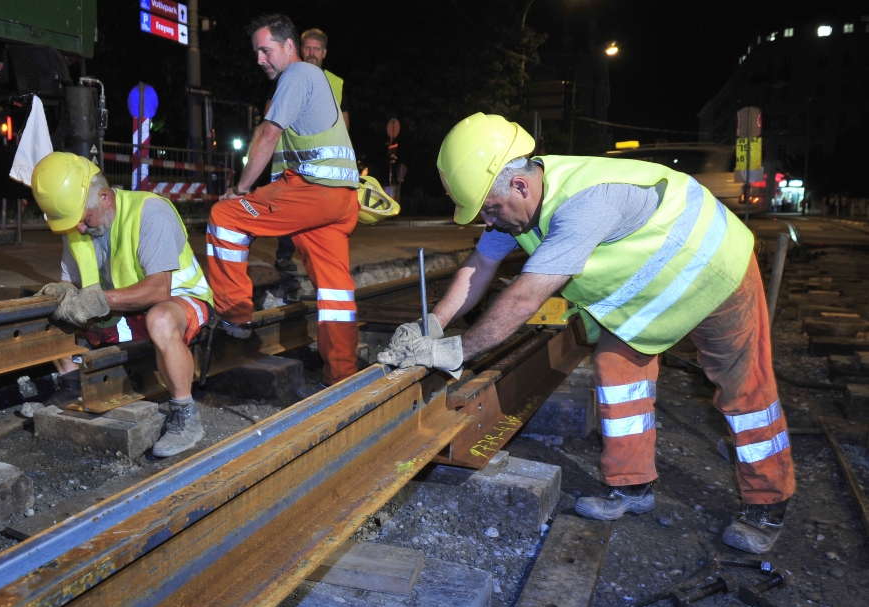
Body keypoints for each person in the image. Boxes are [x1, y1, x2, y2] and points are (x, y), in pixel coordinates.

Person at [379, 113, 796, 554]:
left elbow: (524, 300)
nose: (488, 220)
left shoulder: (584, 204)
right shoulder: (515, 211)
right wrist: (434, 325)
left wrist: (456, 349)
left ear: (520, 186)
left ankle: (768, 502)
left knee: (743, 389)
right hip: (650, 296)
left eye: (490, 209)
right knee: (617, 374)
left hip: (713, 270)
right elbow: (481, 266)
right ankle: (632, 486)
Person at [206, 13, 359, 393]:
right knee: (336, 290)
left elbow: (268, 133)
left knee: (225, 216)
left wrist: (241, 189)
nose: (259, 58)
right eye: (256, 51)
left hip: (312, 192)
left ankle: (235, 314)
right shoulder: (314, 80)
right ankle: (341, 377)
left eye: (265, 49)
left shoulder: (297, 75)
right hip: (338, 201)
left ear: (288, 46)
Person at [31, 151, 213, 458]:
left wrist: (97, 301)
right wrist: (63, 293)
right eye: (71, 223)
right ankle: (74, 386)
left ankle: (186, 415)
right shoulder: (79, 225)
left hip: (178, 302)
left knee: (159, 319)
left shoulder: (149, 212)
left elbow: (159, 290)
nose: (78, 229)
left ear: (104, 198)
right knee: (55, 312)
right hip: (125, 309)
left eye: (84, 219)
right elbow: (78, 287)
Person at [266, 27, 351, 273]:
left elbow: (344, 123)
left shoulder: (335, 83)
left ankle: (318, 258)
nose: (312, 53)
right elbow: (270, 114)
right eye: (308, 48)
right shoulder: (287, 77)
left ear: (324, 52)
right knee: (288, 208)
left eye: (317, 49)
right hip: (291, 159)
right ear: (301, 50)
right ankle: (284, 256)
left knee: (319, 213)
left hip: (323, 164)